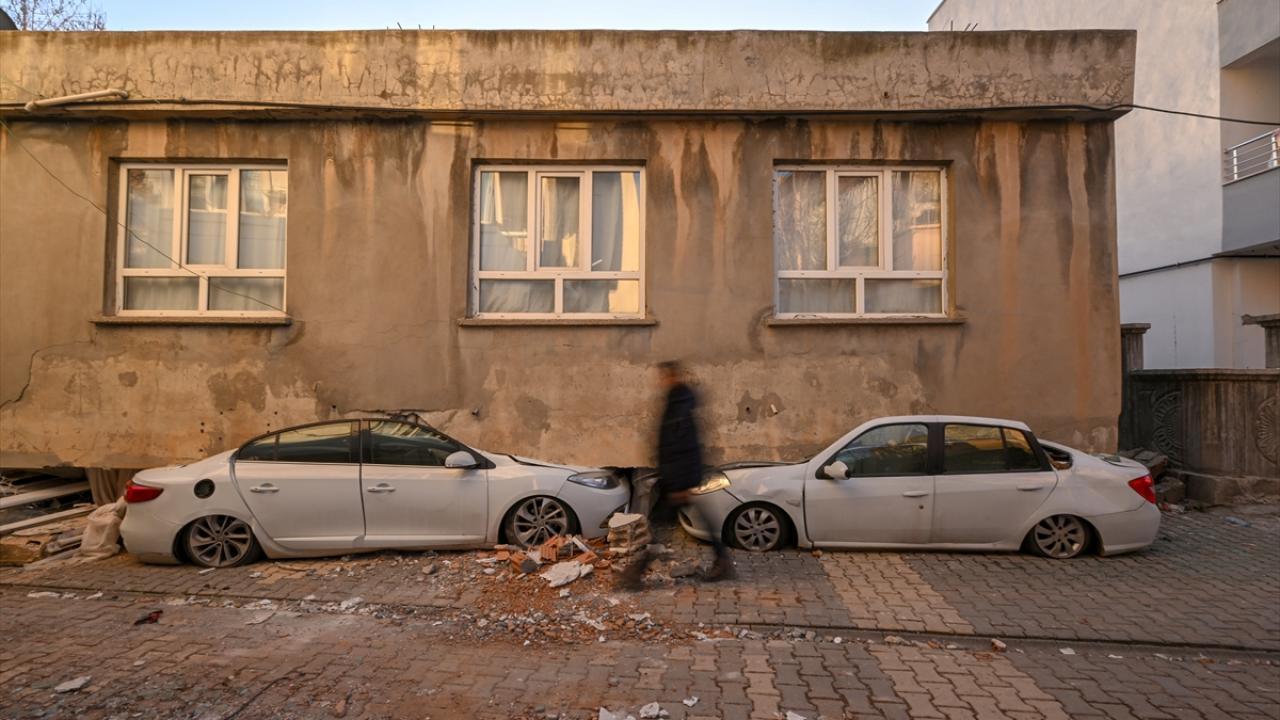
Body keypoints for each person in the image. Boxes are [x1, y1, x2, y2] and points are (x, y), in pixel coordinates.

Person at [619, 361, 733, 590]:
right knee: (669, 524)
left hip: (677, 480)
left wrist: (679, 483)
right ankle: (723, 561)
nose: (661, 381)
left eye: (664, 376)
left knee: (658, 526)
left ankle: (635, 575)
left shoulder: (679, 406)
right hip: (676, 477)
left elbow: (683, 446)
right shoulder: (676, 403)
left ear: (672, 377)